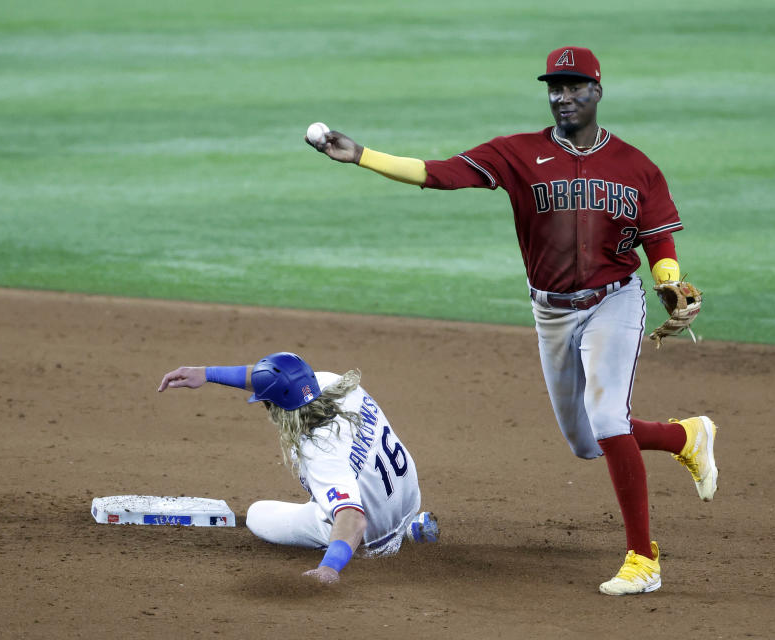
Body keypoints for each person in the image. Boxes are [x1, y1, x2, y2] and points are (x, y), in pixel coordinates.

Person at [306, 46, 718, 595]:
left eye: (574, 87)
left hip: (614, 301)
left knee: (608, 420)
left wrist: (667, 279)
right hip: (550, 310)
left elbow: (657, 238)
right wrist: (362, 155)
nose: (563, 96)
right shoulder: (519, 153)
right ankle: (684, 436)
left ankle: (643, 559)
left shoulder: (636, 166)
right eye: (555, 87)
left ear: (597, 91)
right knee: (586, 441)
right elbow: (440, 173)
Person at [157, 351, 439, 585]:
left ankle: (386, 543)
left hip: (375, 536)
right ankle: (409, 527)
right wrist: (207, 374)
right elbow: (278, 380)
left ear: (273, 407)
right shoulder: (332, 383)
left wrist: (328, 569)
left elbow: (353, 519)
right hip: (408, 498)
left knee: (259, 514)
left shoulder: (319, 450)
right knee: (345, 487)